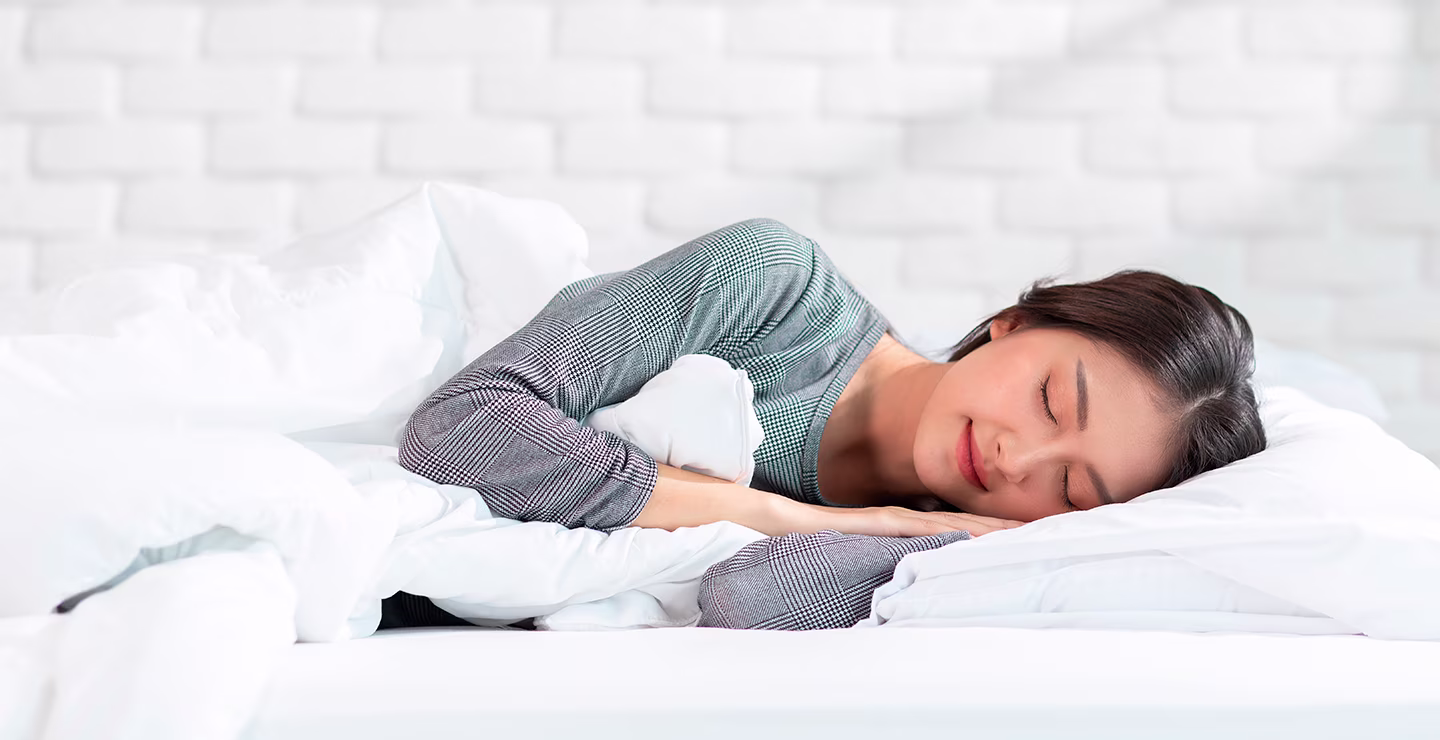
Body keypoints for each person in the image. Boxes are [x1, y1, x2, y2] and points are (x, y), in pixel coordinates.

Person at [381, 218, 1267, 632]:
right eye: (1048, 400)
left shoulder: (945, 540)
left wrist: (914, 539)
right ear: (1015, 324)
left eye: (1069, 487)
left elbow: (751, 599)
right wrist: (781, 512)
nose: (1017, 457)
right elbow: (460, 429)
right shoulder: (773, 287)